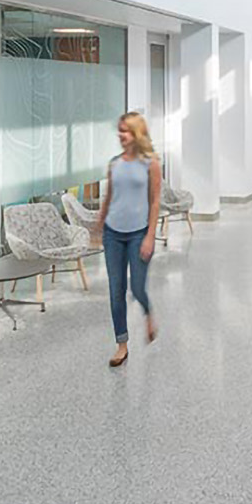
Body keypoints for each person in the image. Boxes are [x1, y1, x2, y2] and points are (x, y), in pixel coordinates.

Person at [93, 111, 163, 368]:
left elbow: (155, 201)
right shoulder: (114, 163)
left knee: (137, 289)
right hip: (113, 234)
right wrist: (99, 226)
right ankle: (121, 344)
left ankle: (148, 313)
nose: (120, 135)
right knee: (115, 291)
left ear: (137, 134)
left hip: (138, 234)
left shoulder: (151, 163)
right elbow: (109, 197)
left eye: (125, 131)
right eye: (119, 130)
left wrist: (150, 236)